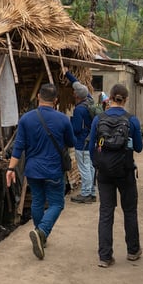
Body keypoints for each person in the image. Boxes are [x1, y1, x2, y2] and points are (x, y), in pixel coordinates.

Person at [6, 83, 75, 260]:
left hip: (33, 170)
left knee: (37, 200)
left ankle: (40, 235)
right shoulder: (63, 119)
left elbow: (18, 146)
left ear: (38, 97)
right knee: (57, 204)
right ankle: (42, 231)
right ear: (56, 100)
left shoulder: (26, 119)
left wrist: (11, 168)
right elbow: (72, 142)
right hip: (54, 170)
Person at [89, 84, 143, 268]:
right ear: (125, 99)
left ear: (110, 98)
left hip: (104, 173)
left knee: (106, 213)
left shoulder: (98, 119)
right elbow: (139, 147)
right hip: (125, 171)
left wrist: (99, 164)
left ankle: (105, 257)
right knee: (129, 211)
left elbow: (91, 148)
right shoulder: (132, 120)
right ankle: (133, 251)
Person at [64, 69, 96, 204]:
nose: (73, 92)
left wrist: (68, 125)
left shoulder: (79, 110)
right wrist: (67, 74)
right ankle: (92, 192)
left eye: (74, 92)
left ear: (77, 95)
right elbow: (78, 84)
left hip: (82, 143)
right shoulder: (90, 100)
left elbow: (76, 129)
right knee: (90, 167)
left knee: (84, 169)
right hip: (91, 141)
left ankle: (86, 194)